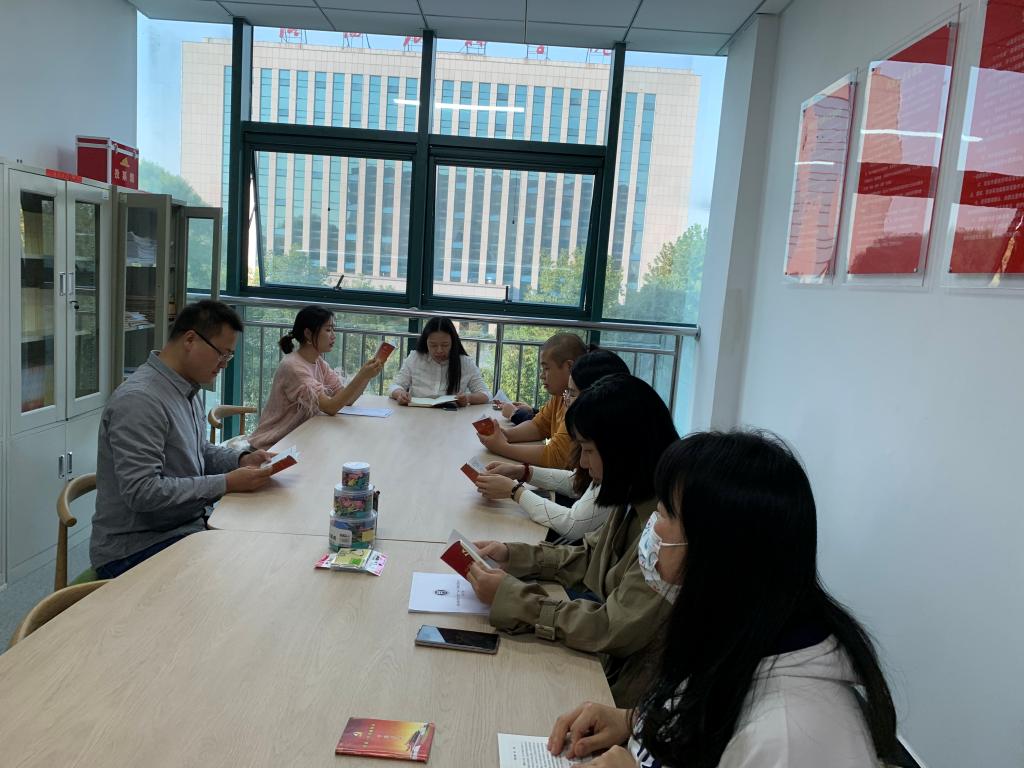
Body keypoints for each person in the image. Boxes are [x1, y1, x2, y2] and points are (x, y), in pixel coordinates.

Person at [547, 431, 898, 768]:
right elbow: (708, 717)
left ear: (720, 552)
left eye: (666, 513)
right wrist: (632, 721)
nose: (654, 528)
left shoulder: (790, 735)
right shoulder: (734, 635)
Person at [466, 374, 679, 706]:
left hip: (623, 694)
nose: (582, 462)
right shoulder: (634, 496)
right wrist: (514, 555)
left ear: (625, 450)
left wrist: (516, 599)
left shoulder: (669, 529)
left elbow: (611, 628)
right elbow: (592, 556)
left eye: (590, 451)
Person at [90, 301, 275, 579]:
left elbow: (198, 452)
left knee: (255, 553)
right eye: (221, 354)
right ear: (190, 340)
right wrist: (226, 483)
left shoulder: (185, 388)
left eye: (229, 356)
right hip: (135, 548)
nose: (223, 364)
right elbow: (143, 492)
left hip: (182, 527)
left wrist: (242, 459)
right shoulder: (141, 400)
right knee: (240, 574)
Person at [473, 350, 630, 541]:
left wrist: (514, 491)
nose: (566, 401)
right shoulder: (605, 434)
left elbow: (572, 525)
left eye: (571, 393)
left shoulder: (615, 451)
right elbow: (578, 481)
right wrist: (523, 472)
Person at [247, 305, 384, 450]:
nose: (333, 335)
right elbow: (331, 407)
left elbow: (346, 400)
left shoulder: (318, 362)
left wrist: (367, 376)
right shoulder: (293, 367)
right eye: (328, 330)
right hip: (272, 446)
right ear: (308, 333)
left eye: (333, 329)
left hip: (297, 440)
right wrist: (362, 375)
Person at [476, 332, 586, 468]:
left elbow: (557, 457)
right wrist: (505, 434)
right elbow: (538, 426)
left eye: (546, 368)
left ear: (569, 367)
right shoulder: (561, 394)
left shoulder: (580, 402)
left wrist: (502, 447)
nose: (541, 375)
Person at [388, 317, 490, 406]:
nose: (439, 350)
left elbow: (486, 394)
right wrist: (400, 394)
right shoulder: (415, 358)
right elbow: (395, 386)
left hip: (452, 417)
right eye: (433, 345)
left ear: (453, 343)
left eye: (445, 345)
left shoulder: (465, 363)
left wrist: (468, 398)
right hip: (418, 415)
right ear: (426, 342)